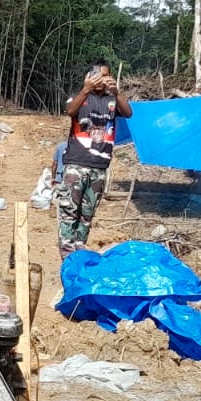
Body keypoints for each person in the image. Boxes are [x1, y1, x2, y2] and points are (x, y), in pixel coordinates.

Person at [57, 62, 132, 257]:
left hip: (99, 166)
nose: (100, 80)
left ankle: (80, 248)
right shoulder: (80, 97)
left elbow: (128, 113)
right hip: (76, 163)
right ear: (88, 76)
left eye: (105, 76)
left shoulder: (111, 100)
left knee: (88, 213)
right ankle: (66, 253)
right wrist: (86, 88)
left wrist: (116, 92)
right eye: (96, 76)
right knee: (69, 210)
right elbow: (70, 111)